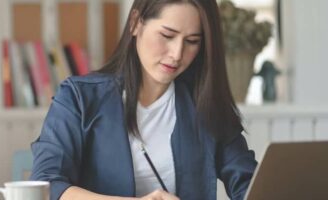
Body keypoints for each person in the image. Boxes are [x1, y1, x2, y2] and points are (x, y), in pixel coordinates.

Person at [30, 0, 257, 199]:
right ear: (136, 23)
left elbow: (249, 185)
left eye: (192, 41)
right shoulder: (78, 98)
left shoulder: (205, 105)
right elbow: (48, 185)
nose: (177, 54)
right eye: (167, 35)